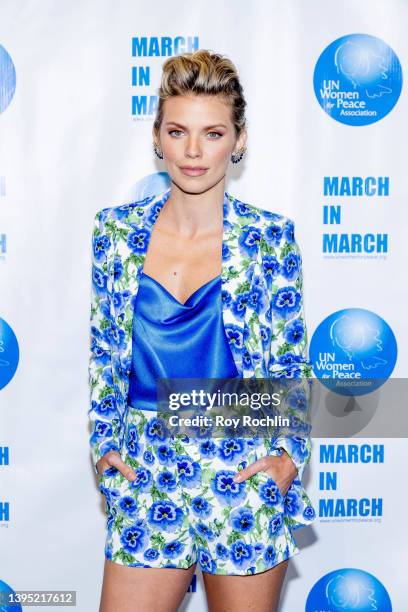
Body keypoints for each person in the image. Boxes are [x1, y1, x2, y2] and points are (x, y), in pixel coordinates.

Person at [88, 49, 316, 612]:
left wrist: (286, 458)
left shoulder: (269, 238)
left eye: (212, 133)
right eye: (178, 131)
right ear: (157, 137)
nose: (193, 151)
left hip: (241, 472)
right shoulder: (114, 233)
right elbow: (102, 351)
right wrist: (104, 445)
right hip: (147, 475)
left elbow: (289, 363)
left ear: (239, 140)